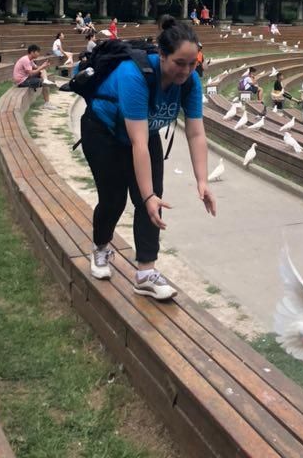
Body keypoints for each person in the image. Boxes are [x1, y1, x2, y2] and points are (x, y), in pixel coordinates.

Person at [80, 15, 217, 300]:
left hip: (145, 132)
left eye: (192, 64)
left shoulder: (190, 82)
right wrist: (146, 195)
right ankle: (101, 248)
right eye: (180, 63)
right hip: (103, 131)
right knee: (114, 199)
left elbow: (196, 134)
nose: (186, 71)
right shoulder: (135, 75)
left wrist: (202, 181)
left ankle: (145, 272)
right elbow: (137, 143)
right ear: (162, 55)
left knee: (154, 200)